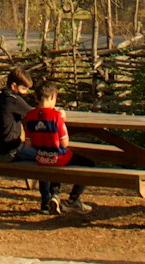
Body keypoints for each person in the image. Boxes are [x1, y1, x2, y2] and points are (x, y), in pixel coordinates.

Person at [21, 79, 96, 216]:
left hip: (41, 157)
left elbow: (29, 143)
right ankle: (73, 199)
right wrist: (63, 120)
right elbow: (64, 143)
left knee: (48, 165)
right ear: (53, 97)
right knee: (88, 164)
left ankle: (50, 199)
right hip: (58, 157)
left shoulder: (29, 116)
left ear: (37, 98)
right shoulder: (57, 117)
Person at [0, 66, 54, 212]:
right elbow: (38, 114)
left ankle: (48, 199)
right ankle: (47, 201)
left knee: (40, 154)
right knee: (46, 157)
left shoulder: (0, 98)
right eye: (24, 89)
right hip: (10, 152)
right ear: (14, 86)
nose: (26, 93)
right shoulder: (13, 100)